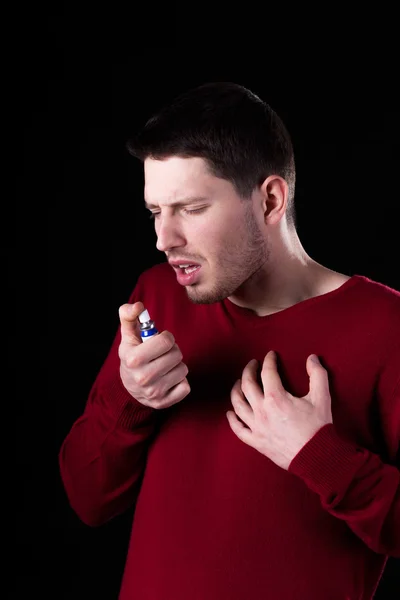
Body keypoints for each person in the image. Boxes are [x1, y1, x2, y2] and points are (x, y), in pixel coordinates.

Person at [58, 82, 400, 600]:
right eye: (156, 211)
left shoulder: (385, 325)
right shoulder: (157, 298)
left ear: (269, 199)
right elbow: (87, 498)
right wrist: (132, 399)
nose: (163, 239)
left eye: (190, 209)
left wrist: (318, 455)